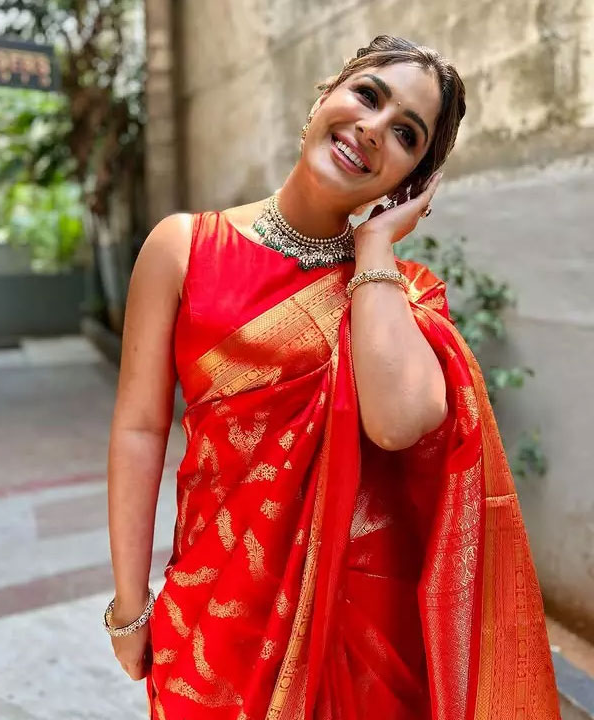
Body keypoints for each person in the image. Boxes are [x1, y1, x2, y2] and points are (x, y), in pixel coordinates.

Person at [105, 35, 558, 719]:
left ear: (411, 182)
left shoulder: (401, 297)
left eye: (406, 134)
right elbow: (140, 428)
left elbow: (399, 421)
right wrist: (129, 604)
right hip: (213, 614)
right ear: (325, 95)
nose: (374, 128)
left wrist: (373, 245)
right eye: (368, 95)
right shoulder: (183, 246)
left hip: (359, 637)